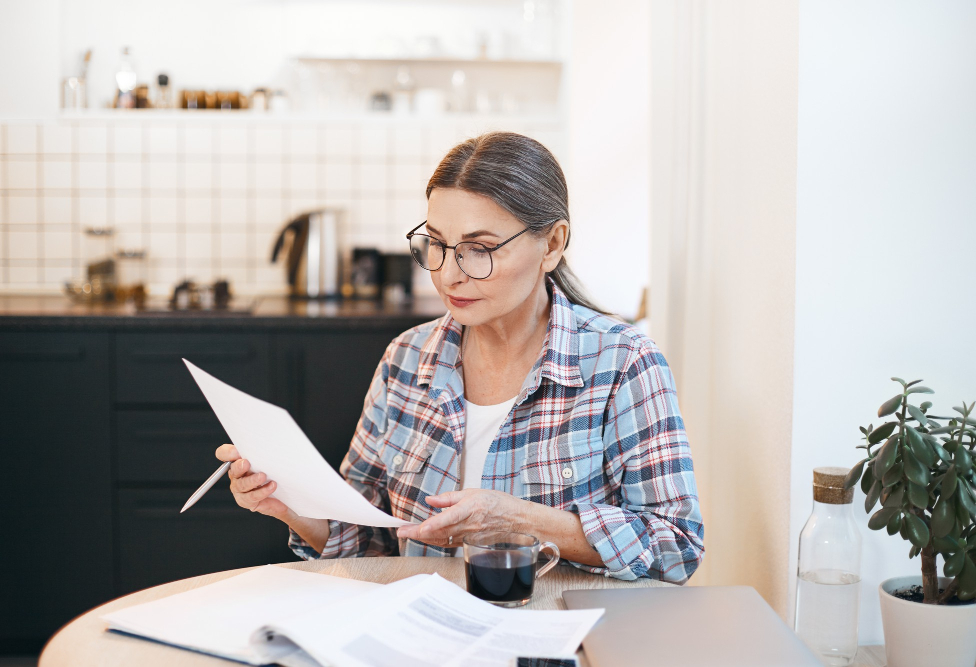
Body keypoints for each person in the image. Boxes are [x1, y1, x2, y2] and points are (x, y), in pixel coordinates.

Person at [217, 132, 704, 582]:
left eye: (479, 249)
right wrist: (289, 504)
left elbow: (676, 546)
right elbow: (368, 544)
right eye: (437, 245)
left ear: (552, 244)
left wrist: (522, 521)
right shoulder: (405, 358)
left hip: (555, 632)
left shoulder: (623, 362)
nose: (449, 274)